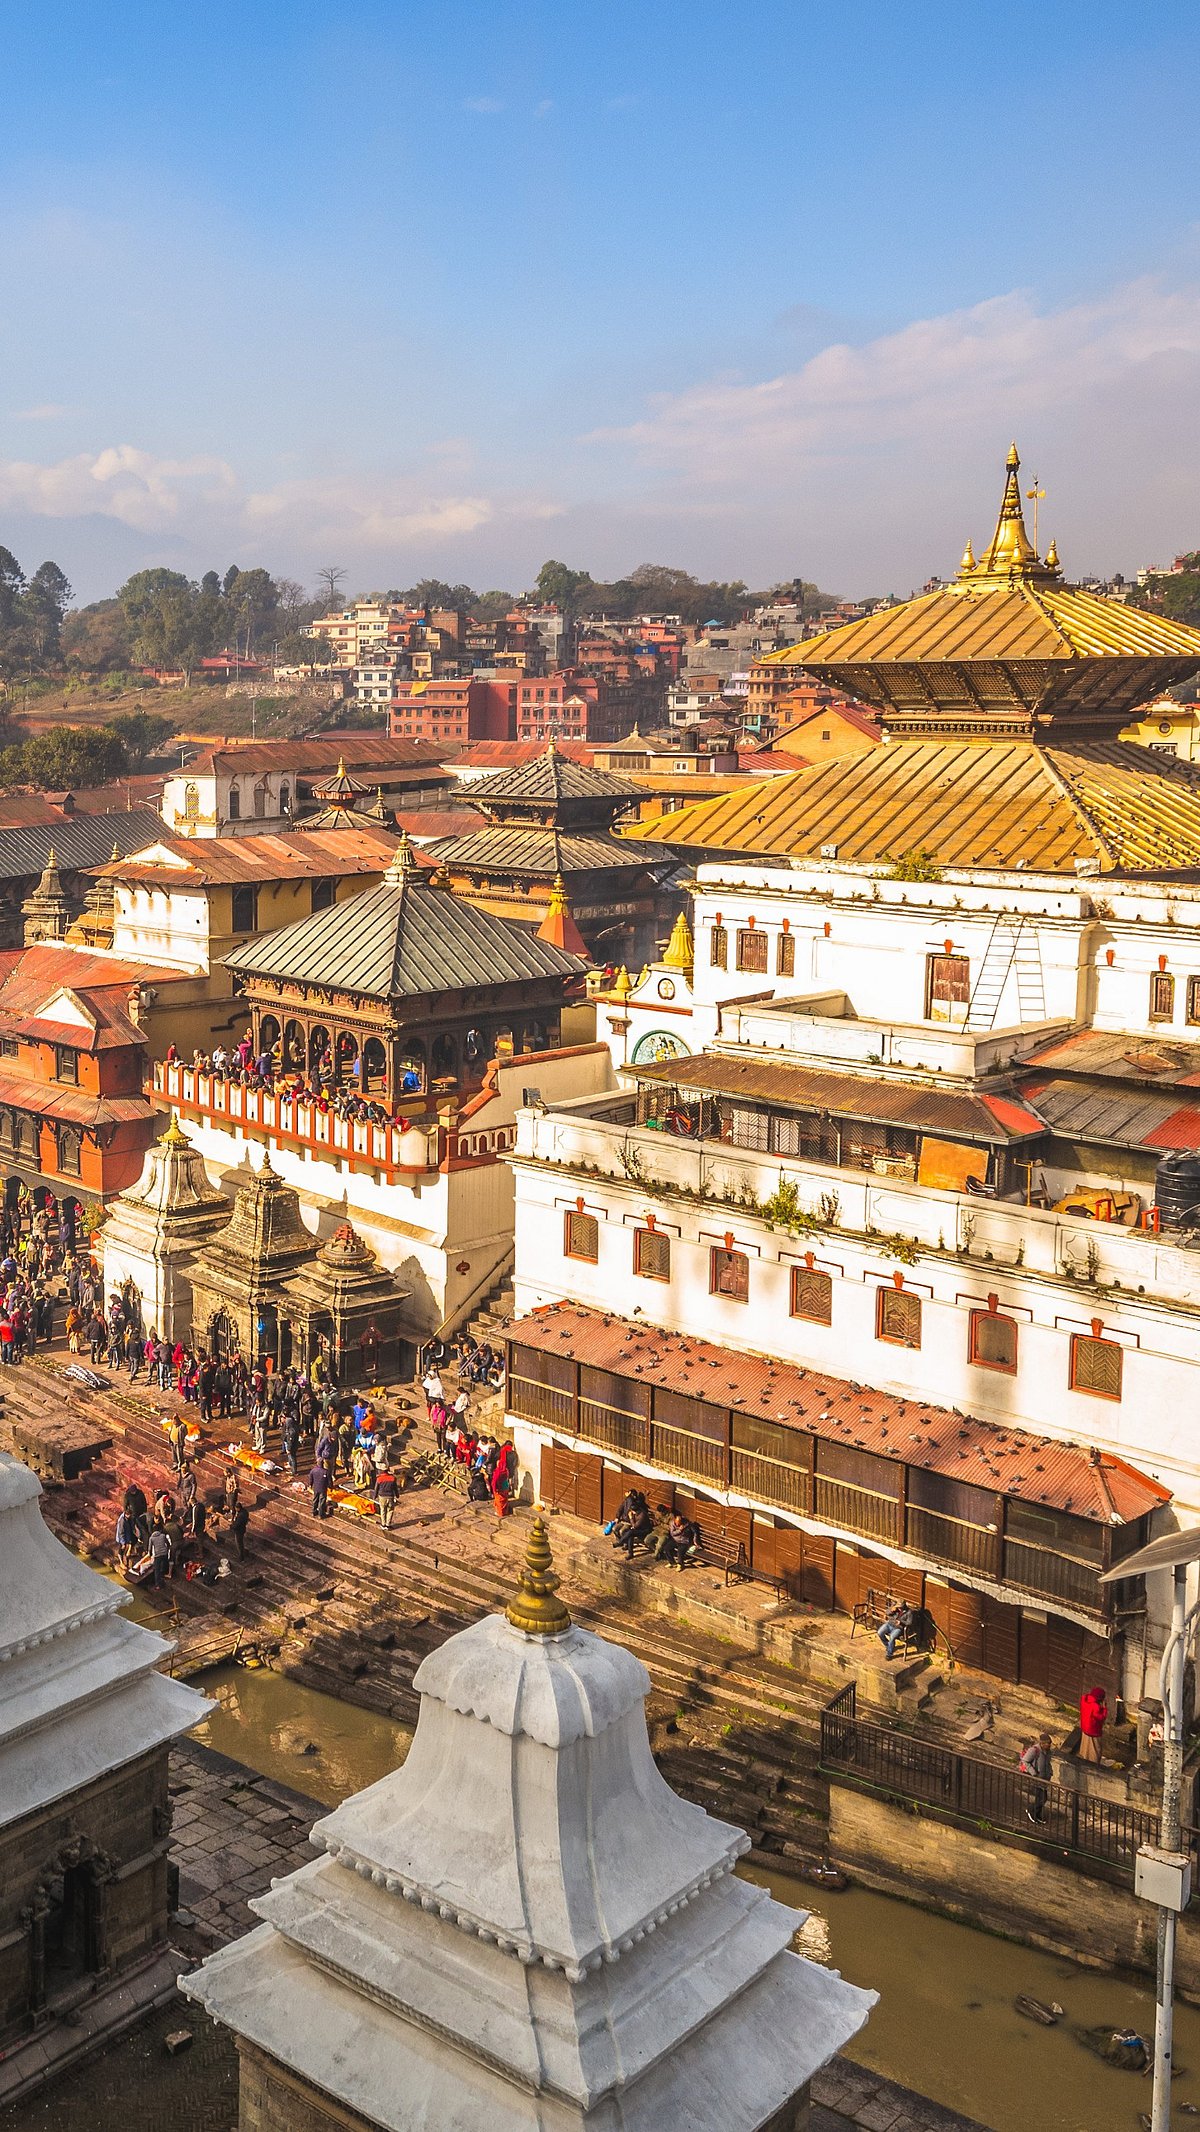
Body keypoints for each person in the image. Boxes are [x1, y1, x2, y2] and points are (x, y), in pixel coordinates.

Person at [1021, 1733, 1053, 1823]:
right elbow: (1025, 1760)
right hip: (1037, 1777)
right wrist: (1033, 1773)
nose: (1049, 1745)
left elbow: (1047, 1763)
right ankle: (1032, 1811)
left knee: (1041, 1798)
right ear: (1042, 1743)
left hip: (1044, 1778)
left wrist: (1050, 1772)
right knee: (1042, 1798)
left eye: (1050, 1743)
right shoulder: (1034, 1750)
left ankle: (1037, 1814)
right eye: (1047, 1743)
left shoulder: (1048, 1752)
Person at [1079, 1684, 1108, 1764]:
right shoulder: (1095, 1706)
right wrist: (1104, 1708)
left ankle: (1083, 1759)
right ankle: (1093, 1763)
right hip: (1093, 1731)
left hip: (1085, 1729)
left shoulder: (1084, 1701)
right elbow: (1101, 1717)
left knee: (1085, 1748)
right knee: (1095, 1750)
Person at [374, 1465, 398, 1530]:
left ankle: (383, 1524)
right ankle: (388, 1524)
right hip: (390, 1496)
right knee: (390, 1510)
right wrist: (397, 1495)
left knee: (383, 1510)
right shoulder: (392, 1478)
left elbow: (376, 1489)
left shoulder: (379, 1479)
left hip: (382, 1497)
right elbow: (395, 1488)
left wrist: (375, 1496)